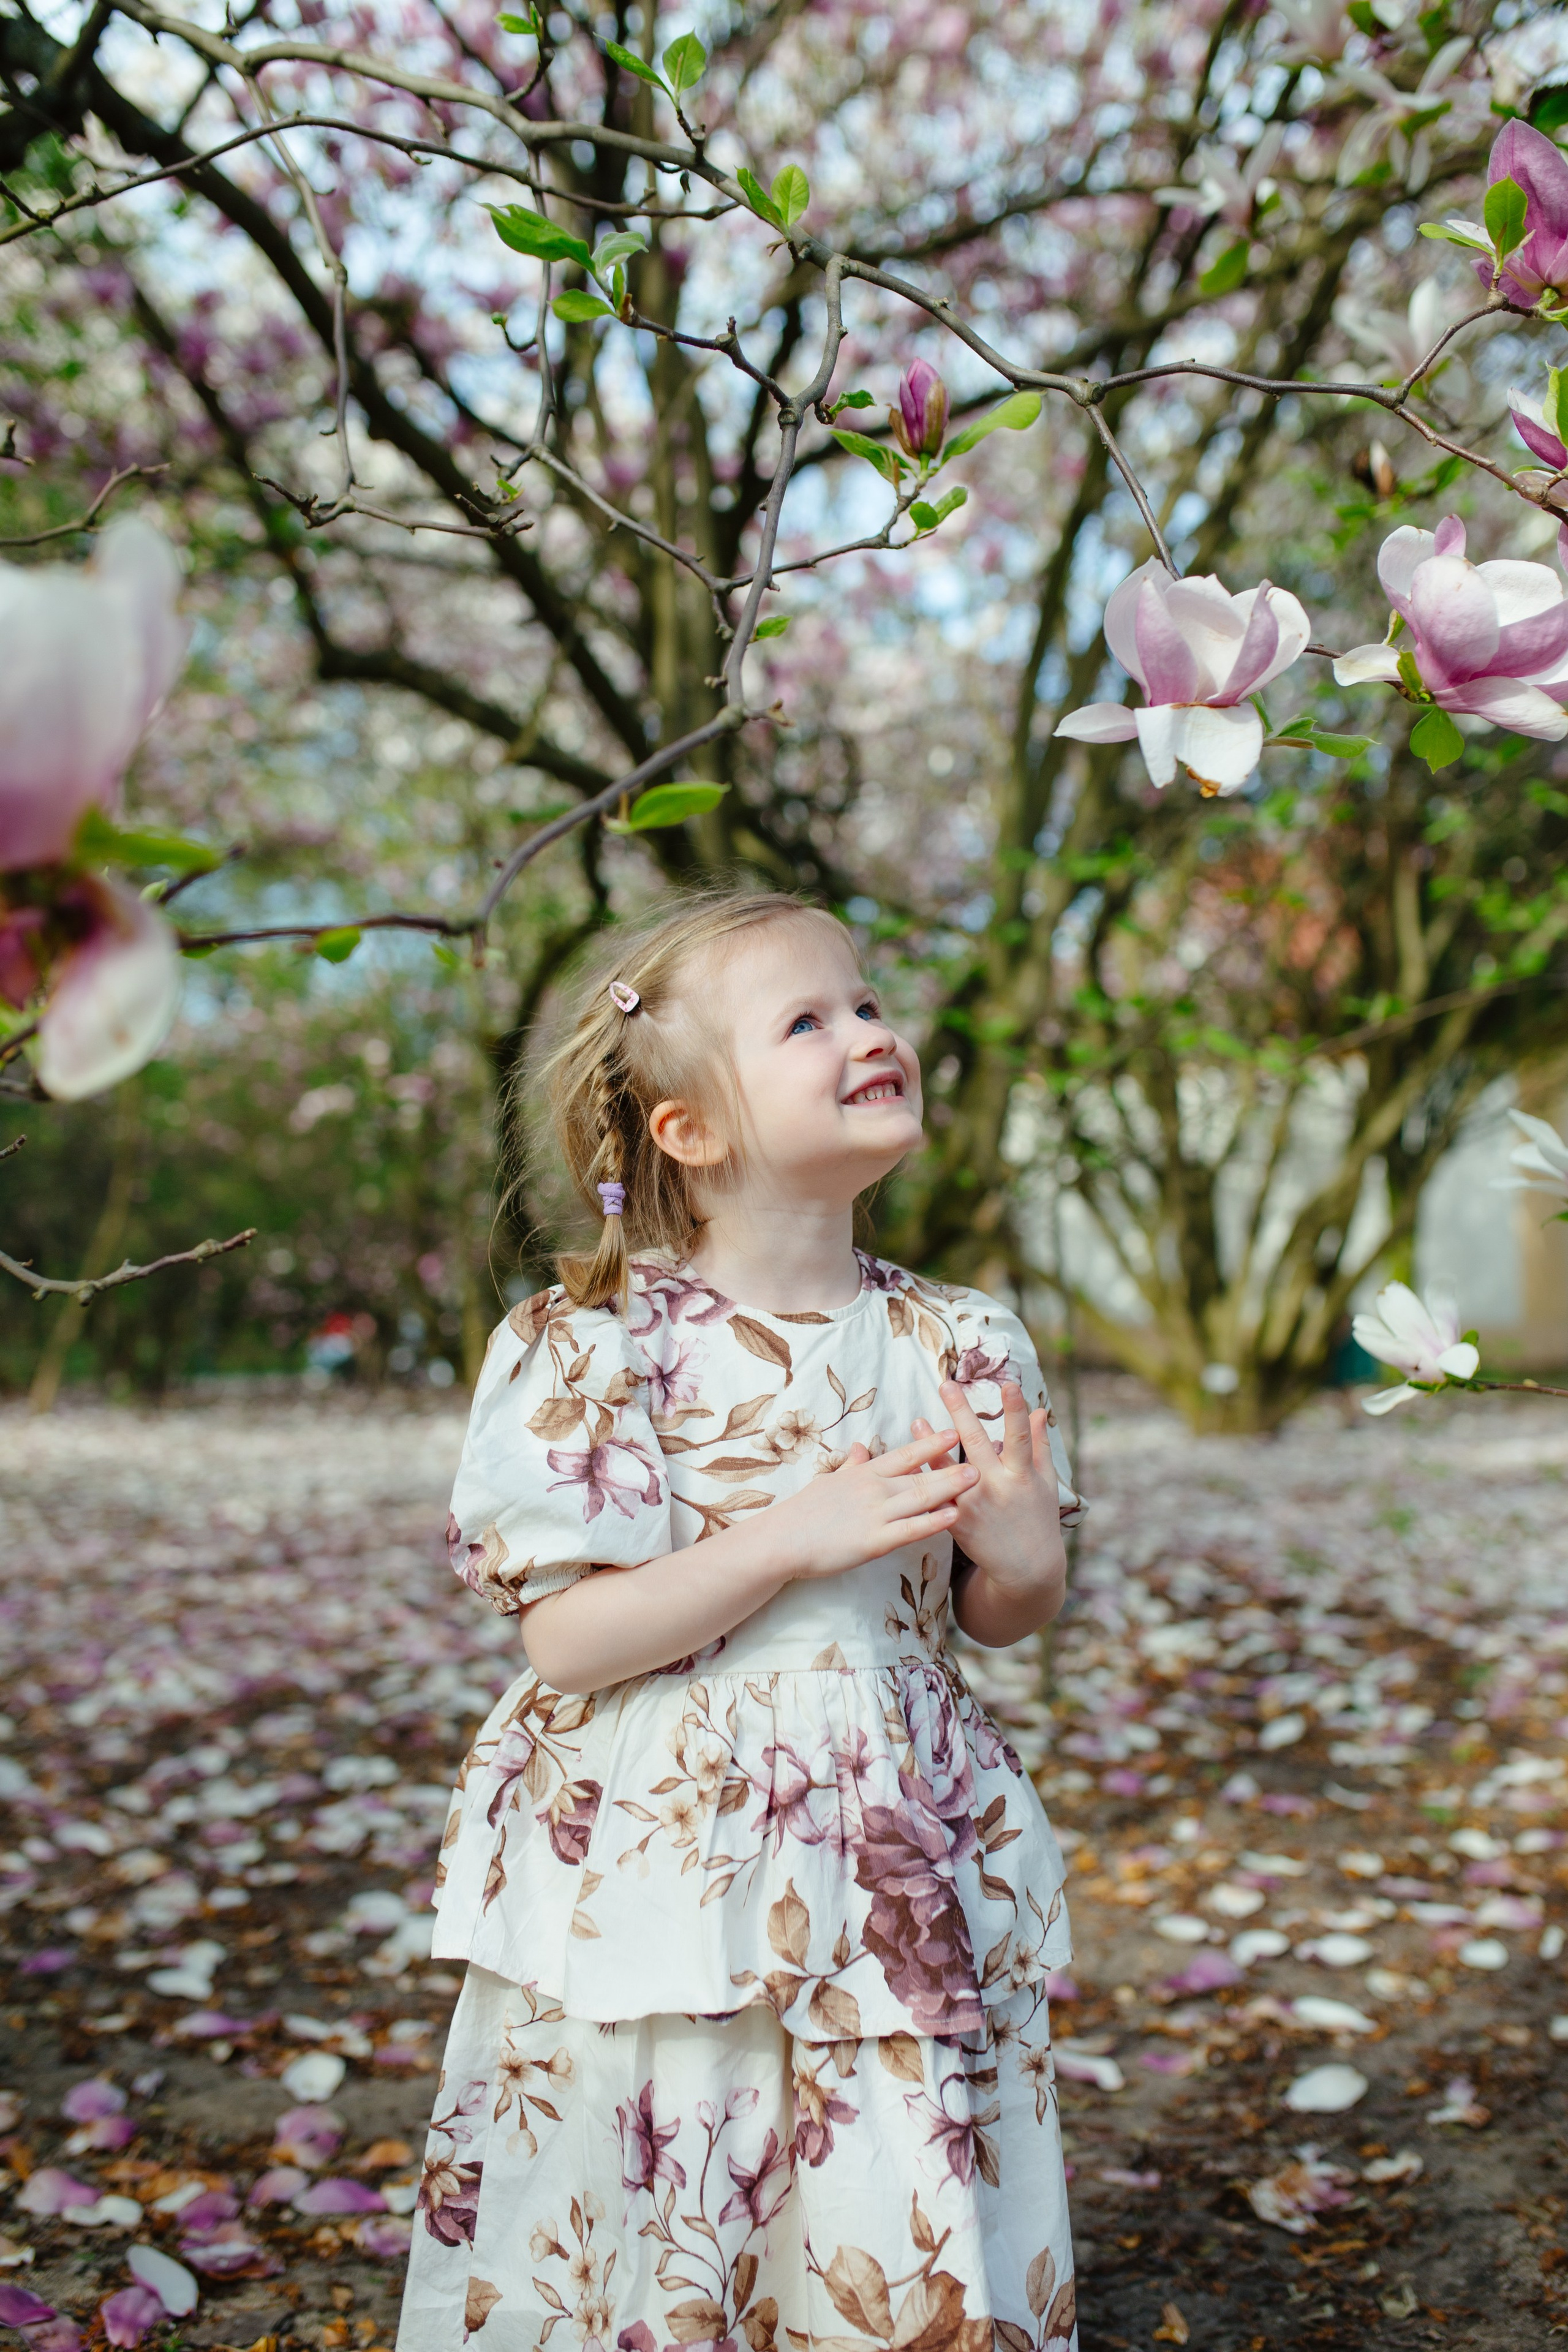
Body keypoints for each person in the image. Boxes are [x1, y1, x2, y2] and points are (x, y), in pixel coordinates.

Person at [398, 889, 1085, 2352]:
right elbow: (568, 1642)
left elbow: (992, 1614)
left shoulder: (960, 1341)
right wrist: (785, 1538)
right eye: (805, 1021)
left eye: (866, 1001)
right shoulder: (591, 1346)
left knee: (881, 2161)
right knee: (672, 2159)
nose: (868, 1032)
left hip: (890, 1826)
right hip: (667, 1837)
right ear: (688, 1132)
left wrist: (1022, 1553)